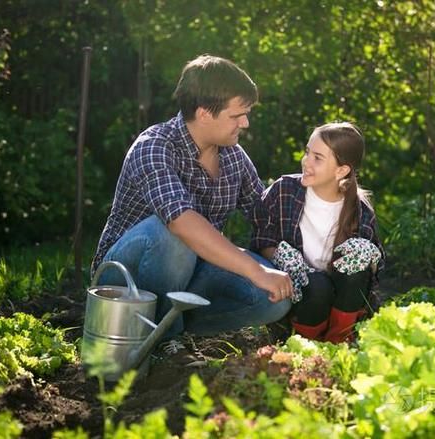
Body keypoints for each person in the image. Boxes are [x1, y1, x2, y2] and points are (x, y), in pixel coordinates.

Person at [92, 54, 293, 343]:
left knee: (274, 297)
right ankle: (162, 346)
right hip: (123, 279)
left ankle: (172, 328)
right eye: (236, 115)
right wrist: (254, 270)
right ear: (203, 114)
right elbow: (182, 224)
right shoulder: (154, 147)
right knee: (173, 236)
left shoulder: (233, 157)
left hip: (191, 269)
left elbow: (264, 216)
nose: (246, 123)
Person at [251, 122, 385, 343]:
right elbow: (262, 239)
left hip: (343, 297)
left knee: (356, 272)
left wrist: (370, 257)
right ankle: (303, 342)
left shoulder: (359, 210)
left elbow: (371, 278)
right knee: (317, 286)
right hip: (302, 296)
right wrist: (279, 256)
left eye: (318, 158)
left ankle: (340, 339)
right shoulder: (284, 191)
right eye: (307, 152)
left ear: (341, 170)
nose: (306, 161)